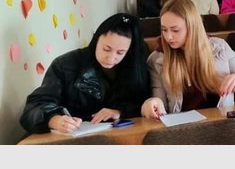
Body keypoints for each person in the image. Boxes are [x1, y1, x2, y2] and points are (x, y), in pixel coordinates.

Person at [20, 13, 150, 134]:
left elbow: (144, 102)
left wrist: (120, 112)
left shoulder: (136, 68)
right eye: (106, 49)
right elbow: (33, 108)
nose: (111, 58)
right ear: (96, 39)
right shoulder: (65, 65)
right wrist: (54, 120)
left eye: (120, 53)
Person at [141, 0, 235, 118]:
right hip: (183, 126)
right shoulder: (157, 60)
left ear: (192, 27)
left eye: (175, 30)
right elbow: (160, 103)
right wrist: (152, 103)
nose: (169, 37)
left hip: (221, 121)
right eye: (164, 30)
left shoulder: (219, 47)